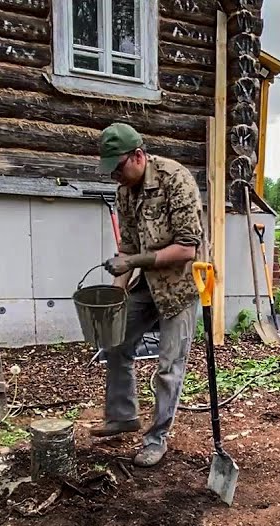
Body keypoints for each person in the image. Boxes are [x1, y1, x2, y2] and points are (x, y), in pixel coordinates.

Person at [92, 122, 207, 468]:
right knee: (115, 340)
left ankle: (156, 439)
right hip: (148, 284)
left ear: (138, 156)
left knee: (169, 366)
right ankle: (122, 416)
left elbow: (186, 249)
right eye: (110, 171)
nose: (114, 176)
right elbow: (127, 248)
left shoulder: (176, 179)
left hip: (182, 285)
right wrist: (115, 298)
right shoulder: (125, 192)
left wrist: (132, 262)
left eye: (117, 168)